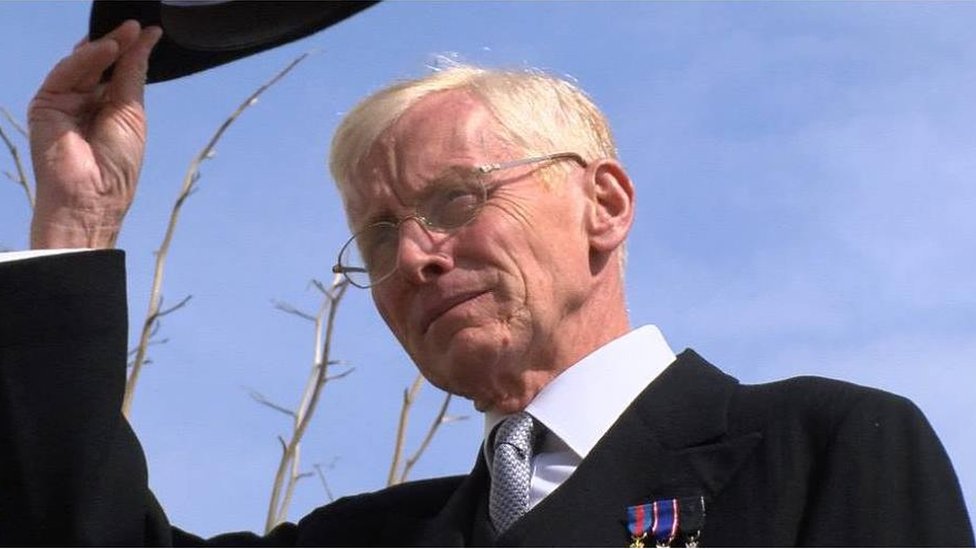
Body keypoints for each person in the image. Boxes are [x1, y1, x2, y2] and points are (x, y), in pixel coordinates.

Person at [0, 20, 971, 547]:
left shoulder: (822, 452)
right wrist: (77, 224)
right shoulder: (366, 540)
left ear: (603, 203)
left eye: (457, 200)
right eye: (379, 237)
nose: (414, 257)